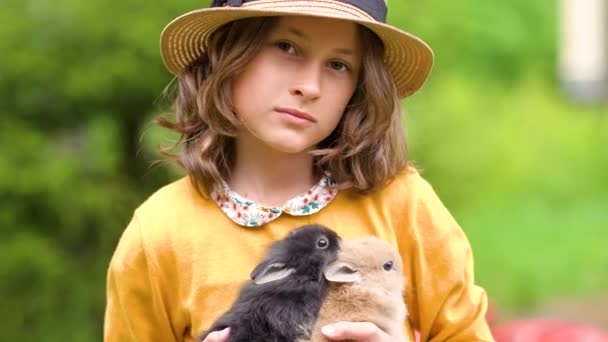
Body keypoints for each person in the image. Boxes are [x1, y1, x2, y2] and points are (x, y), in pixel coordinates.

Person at [104, 1, 495, 341]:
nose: (310, 86)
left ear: (359, 88)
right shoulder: (159, 232)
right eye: (286, 46)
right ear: (227, 53)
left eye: (339, 65)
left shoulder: (404, 205)